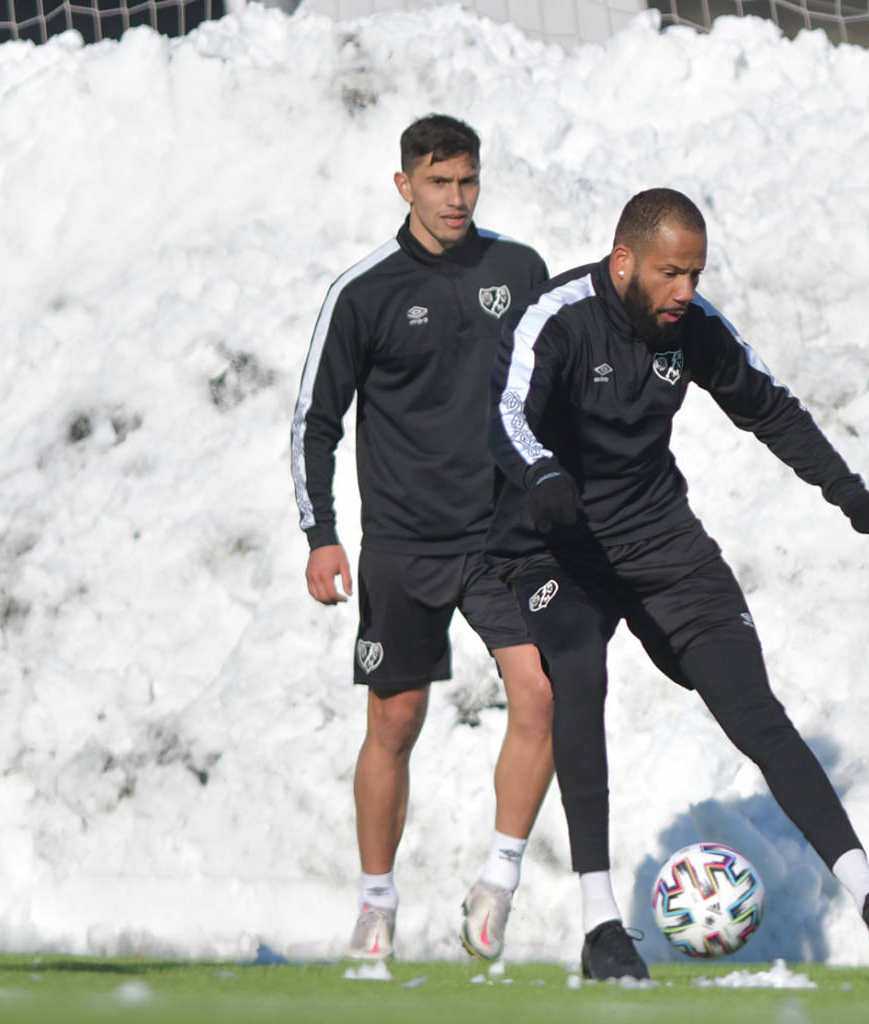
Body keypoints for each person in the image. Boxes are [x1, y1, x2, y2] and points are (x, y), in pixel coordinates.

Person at [486, 187, 869, 980]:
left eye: (695, 272)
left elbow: (774, 413)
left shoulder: (693, 330)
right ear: (625, 262)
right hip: (557, 547)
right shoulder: (556, 318)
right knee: (578, 671)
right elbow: (506, 413)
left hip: (661, 541)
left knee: (753, 707)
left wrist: (859, 503)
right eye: (669, 273)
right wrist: (543, 470)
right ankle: (600, 926)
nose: (685, 291)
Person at [290, 114, 555, 962]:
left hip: (500, 541)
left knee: (541, 693)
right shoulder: (362, 291)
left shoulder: (518, 270)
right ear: (403, 185)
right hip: (403, 544)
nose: (456, 198)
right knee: (396, 722)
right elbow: (313, 422)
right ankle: (376, 905)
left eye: (467, 182)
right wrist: (321, 534)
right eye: (439, 183)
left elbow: (553, 396)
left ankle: (497, 886)